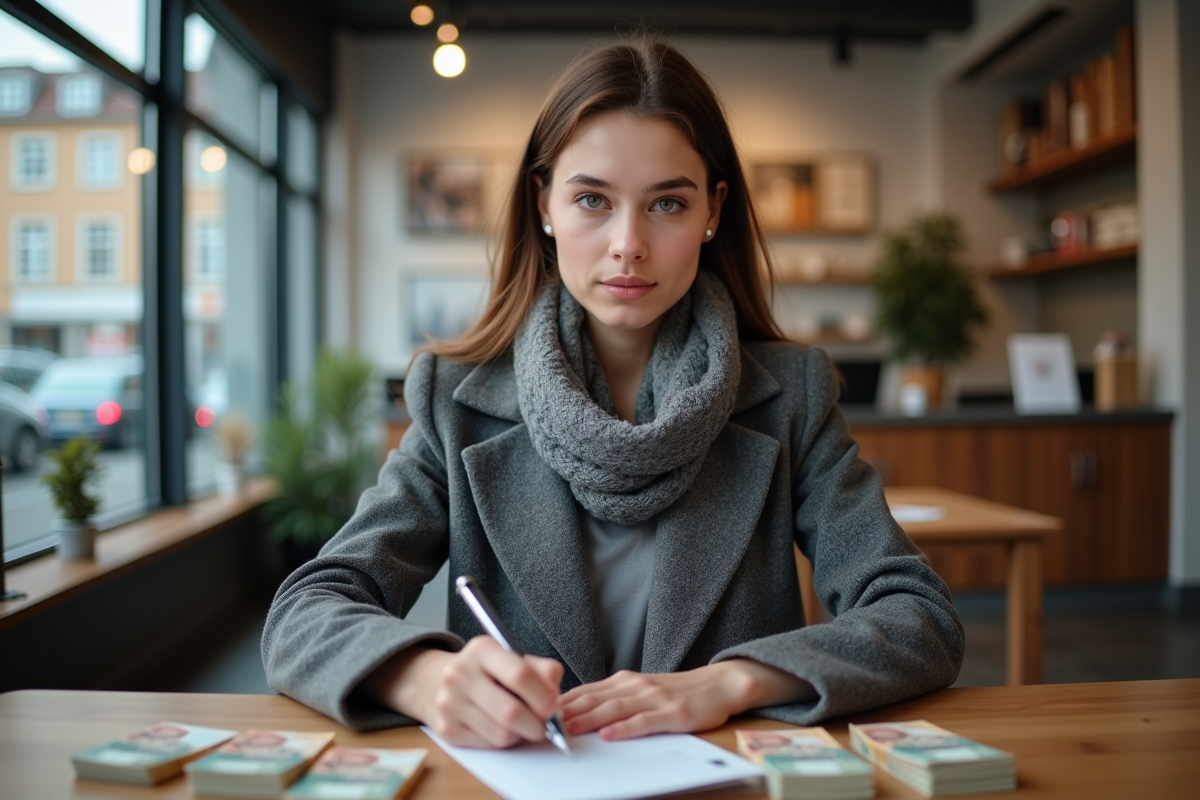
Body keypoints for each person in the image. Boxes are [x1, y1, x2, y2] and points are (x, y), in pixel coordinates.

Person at [262, 35, 963, 749]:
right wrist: (424, 680)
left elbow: (919, 618)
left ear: (712, 211)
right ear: (543, 204)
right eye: (593, 199)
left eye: (667, 205)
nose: (628, 243)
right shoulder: (456, 402)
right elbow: (306, 613)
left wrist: (730, 682)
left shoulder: (790, 394)